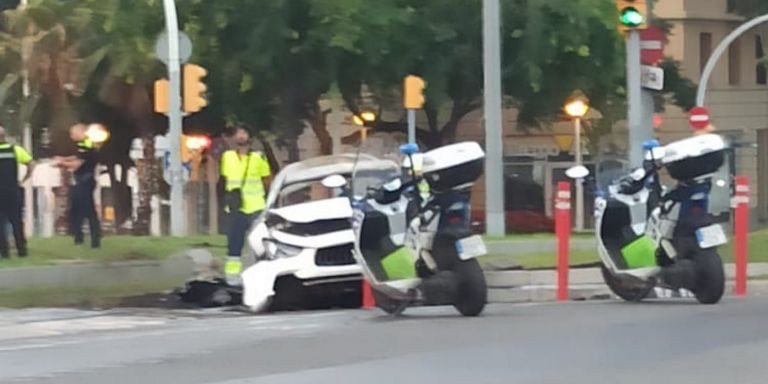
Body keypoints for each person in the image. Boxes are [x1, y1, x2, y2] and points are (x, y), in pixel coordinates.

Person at [220, 127, 271, 285]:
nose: (241, 136)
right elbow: (225, 178)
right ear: (234, 137)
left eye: (244, 133)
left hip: (256, 206)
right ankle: (232, 277)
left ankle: (262, 274)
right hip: (236, 207)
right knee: (234, 243)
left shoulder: (258, 157)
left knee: (259, 242)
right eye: (239, 133)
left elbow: (267, 178)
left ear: (250, 137)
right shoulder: (227, 157)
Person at [53, 124, 101, 248]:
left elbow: (78, 163)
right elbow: (76, 157)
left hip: (85, 181)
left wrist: (61, 163)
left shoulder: (87, 144)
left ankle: (94, 240)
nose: (71, 136)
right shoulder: (82, 145)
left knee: (89, 211)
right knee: (76, 210)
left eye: (73, 133)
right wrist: (63, 158)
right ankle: (78, 238)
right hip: (81, 181)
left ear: (81, 132)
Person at [0, 126, 34, 259]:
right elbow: (31, 164)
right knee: (17, 222)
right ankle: (22, 250)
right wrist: (24, 179)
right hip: (13, 191)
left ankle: (4, 252)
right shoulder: (16, 150)